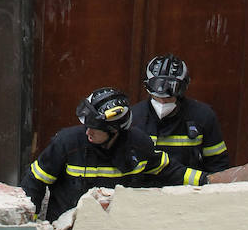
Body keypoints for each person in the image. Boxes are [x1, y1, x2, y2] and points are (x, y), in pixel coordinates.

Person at [20, 86, 207, 222]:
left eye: (95, 128)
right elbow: (34, 182)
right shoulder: (67, 144)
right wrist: (30, 225)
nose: (88, 132)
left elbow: (169, 170)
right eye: (87, 125)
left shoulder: (139, 145)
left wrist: (206, 181)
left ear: (114, 131)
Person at [130, 53, 229, 174]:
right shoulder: (133, 118)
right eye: (157, 96)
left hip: (190, 188)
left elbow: (218, 164)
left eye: (168, 97)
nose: (162, 101)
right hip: (144, 189)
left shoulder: (203, 116)